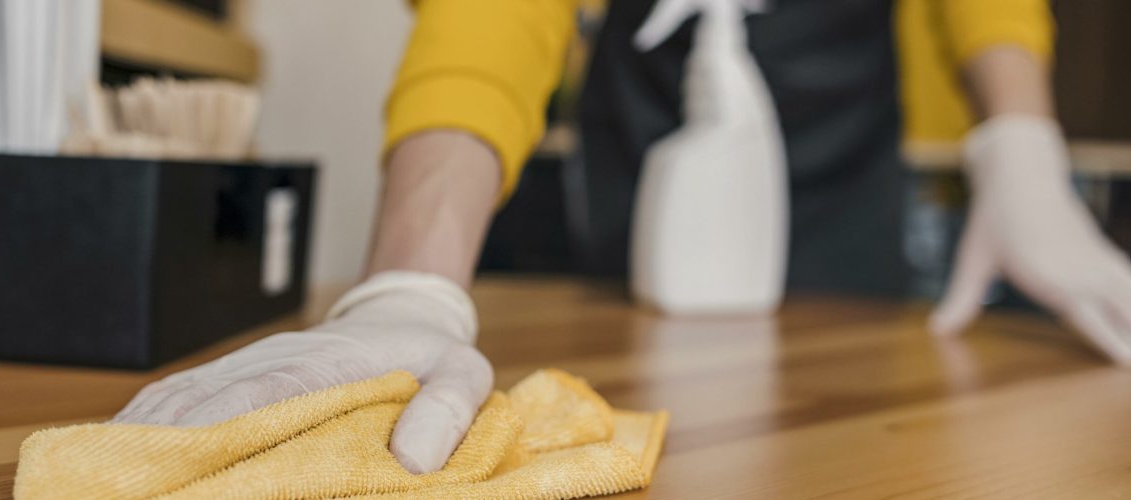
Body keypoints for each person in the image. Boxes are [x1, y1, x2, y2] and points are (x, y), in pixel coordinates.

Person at [114, 0, 1131, 475]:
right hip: (645, 154)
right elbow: (489, 20)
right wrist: (411, 282)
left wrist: (1020, 142)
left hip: (848, 165)